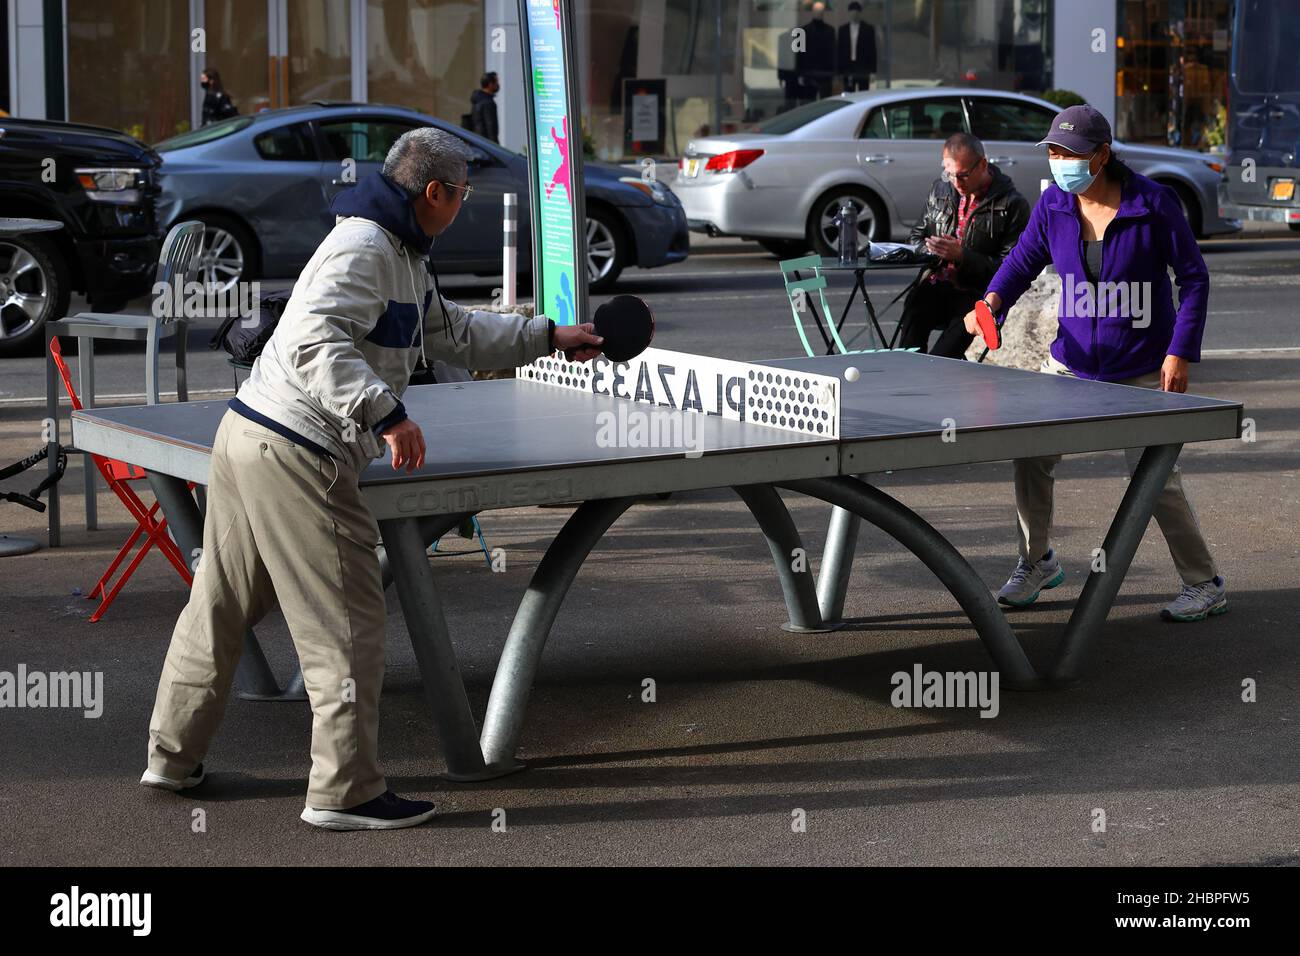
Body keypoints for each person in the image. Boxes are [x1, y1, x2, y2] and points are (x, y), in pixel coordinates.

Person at [139, 127, 604, 830]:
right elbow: (308, 342)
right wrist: (385, 412)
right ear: (436, 193)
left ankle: (171, 757)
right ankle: (344, 791)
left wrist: (548, 338)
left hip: (249, 437)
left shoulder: (398, 249)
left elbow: (451, 333)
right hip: (300, 451)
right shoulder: (366, 249)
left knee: (221, 607)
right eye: (463, 193)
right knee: (347, 629)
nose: (464, 204)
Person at [967, 104, 1226, 622]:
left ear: (1102, 155)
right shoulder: (1055, 206)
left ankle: (1205, 583)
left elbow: (1193, 279)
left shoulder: (1155, 204)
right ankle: (1036, 561)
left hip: (1143, 367)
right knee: (1031, 454)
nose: (1060, 161)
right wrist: (992, 300)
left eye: (1069, 153)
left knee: (1157, 480)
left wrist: (1179, 351)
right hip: (1070, 364)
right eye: (1055, 152)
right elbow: (1021, 260)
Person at [896, 132, 1029, 358]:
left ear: (983, 165)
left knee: (943, 358)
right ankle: (908, 378)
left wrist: (962, 256)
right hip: (934, 285)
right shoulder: (939, 190)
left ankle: (935, 381)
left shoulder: (1012, 204)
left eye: (964, 175)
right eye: (950, 174)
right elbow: (915, 237)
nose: (956, 182)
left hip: (976, 293)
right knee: (909, 342)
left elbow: (1010, 268)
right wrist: (933, 250)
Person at [837, 2, 877, 92]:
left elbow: (872, 50)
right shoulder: (843, 30)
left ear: (860, 14)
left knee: (863, 93)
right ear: (849, 14)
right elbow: (839, 51)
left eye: (856, 13)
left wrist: (873, 71)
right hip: (848, 67)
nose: (854, 15)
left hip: (863, 66)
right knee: (849, 93)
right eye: (852, 13)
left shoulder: (868, 29)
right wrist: (839, 71)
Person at [470, 72, 500, 143]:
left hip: (477, 142)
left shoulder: (478, 99)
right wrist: (495, 147)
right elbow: (491, 127)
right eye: (496, 82)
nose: (498, 85)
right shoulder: (488, 102)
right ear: (490, 84)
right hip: (486, 145)